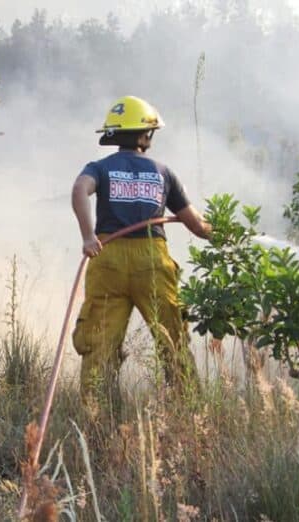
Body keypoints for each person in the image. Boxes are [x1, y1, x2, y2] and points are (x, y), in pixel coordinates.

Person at [71, 96, 211, 411]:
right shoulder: (163, 172)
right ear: (144, 135)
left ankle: (97, 418)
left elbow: (80, 188)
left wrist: (87, 236)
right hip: (152, 261)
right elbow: (198, 226)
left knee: (99, 344)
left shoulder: (99, 168)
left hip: (107, 259)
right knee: (172, 340)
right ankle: (190, 413)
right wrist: (228, 235)